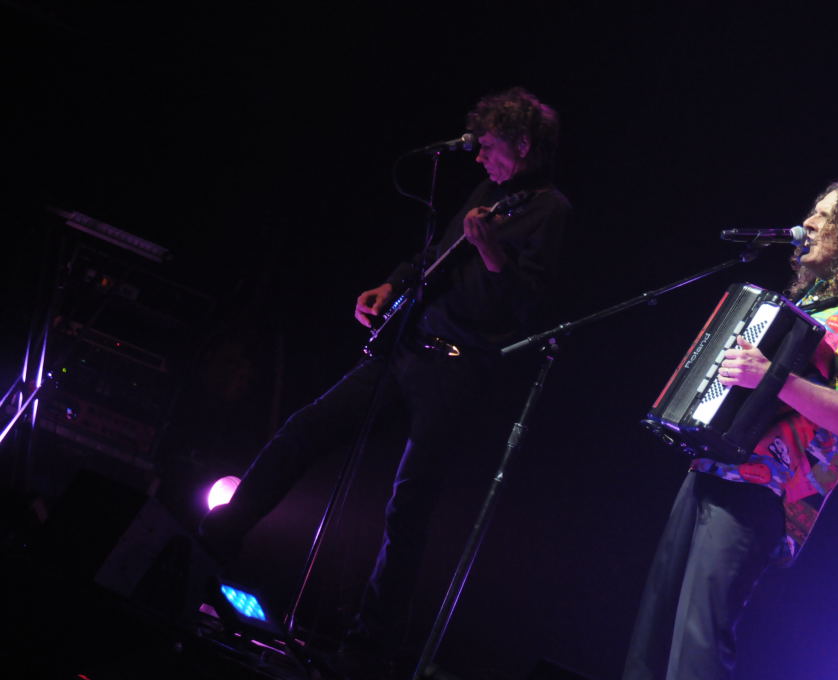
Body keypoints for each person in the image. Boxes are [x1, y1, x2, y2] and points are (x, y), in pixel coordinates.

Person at [198, 86, 571, 677]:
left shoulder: (550, 210)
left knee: (408, 508)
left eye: (490, 147)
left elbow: (523, 306)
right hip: (405, 350)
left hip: (456, 371)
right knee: (304, 431)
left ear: (523, 145)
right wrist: (391, 284)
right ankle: (209, 546)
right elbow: (434, 257)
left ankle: (369, 650)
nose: (479, 156)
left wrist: (492, 251)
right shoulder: (487, 193)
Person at [622, 179, 838, 680]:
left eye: (824, 216)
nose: (808, 223)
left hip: (765, 488)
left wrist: (770, 376)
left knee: (698, 642)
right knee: (656, 632)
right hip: (712, 465)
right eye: (812, 212)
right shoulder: (814, 301)